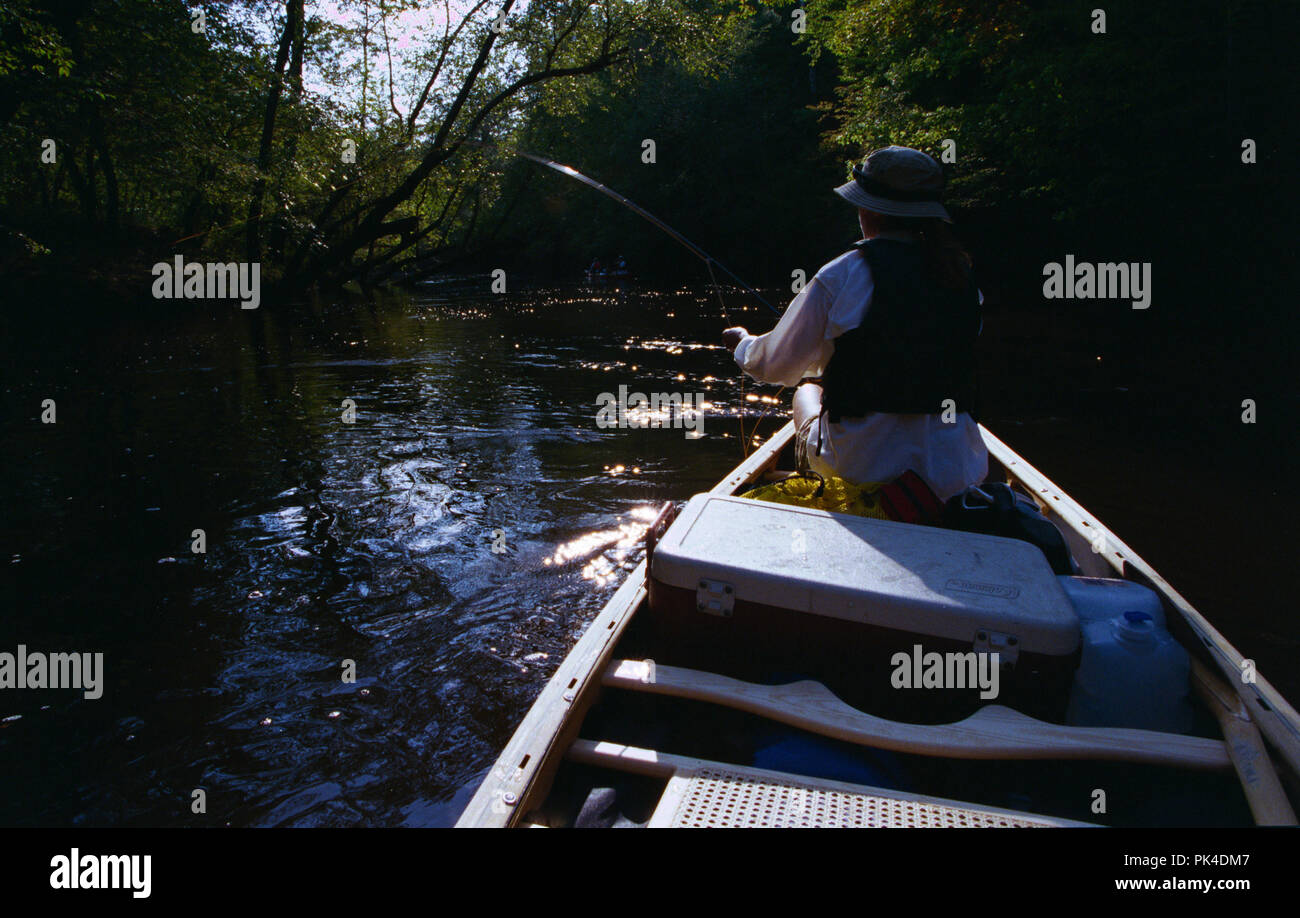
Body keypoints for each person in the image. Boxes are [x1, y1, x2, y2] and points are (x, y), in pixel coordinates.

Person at [722, 145, 987, 501]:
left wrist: (741, 342)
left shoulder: (843, 274)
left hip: (860, 469)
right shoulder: (963, 279)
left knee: (806, 390)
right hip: (954, 473)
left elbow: (773, 365)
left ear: (870, 211)